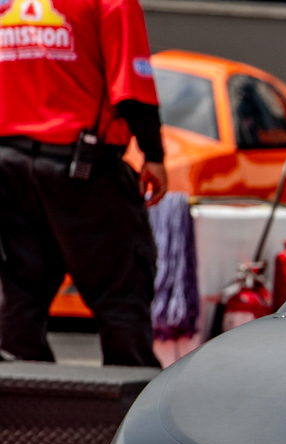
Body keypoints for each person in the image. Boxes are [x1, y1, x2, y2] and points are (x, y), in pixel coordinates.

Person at [0, 0, 166, 367]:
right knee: (122, 293)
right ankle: (130, 407)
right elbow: (132, 90)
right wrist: (154, 155)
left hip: (9, 168)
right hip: (82, 169)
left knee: (19, 298)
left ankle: (21, 411)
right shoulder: (111, 3)